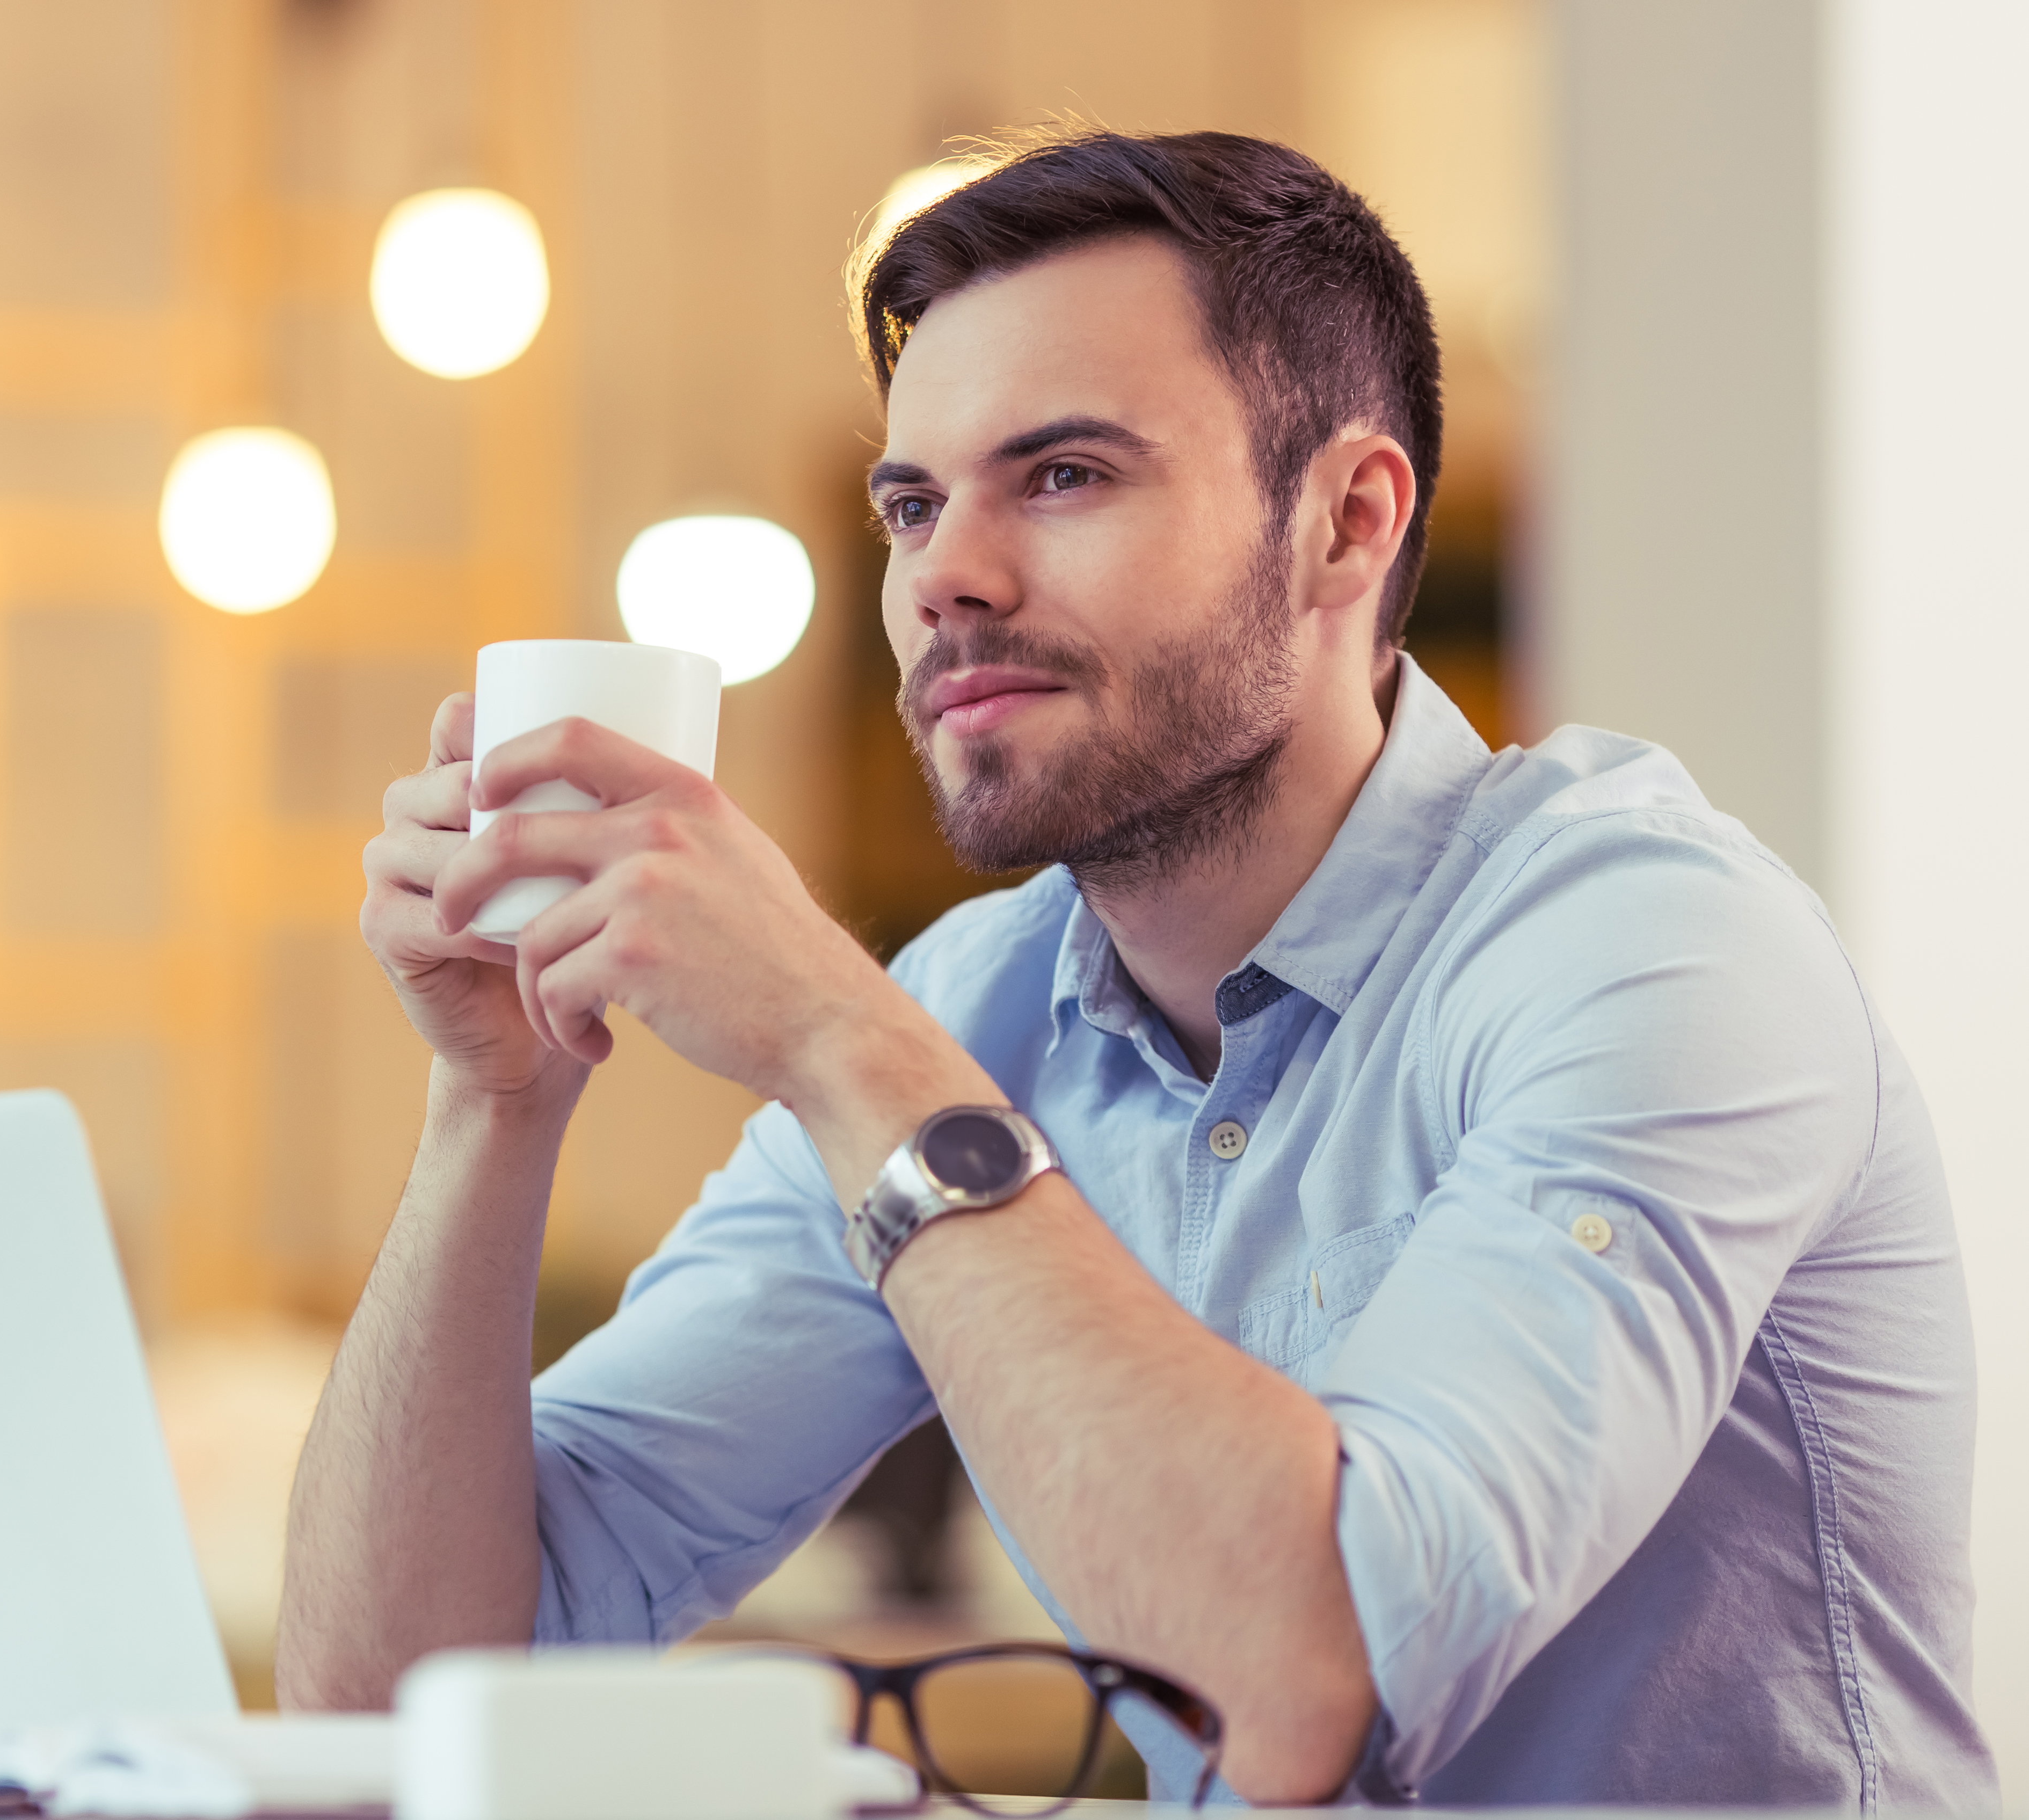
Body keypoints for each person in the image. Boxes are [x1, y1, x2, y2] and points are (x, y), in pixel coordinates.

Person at [275, 128, 1996, 1808]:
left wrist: (829, 1031)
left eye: (1067, 474)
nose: (946, 573)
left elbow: (1311, 1685)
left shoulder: (1649, 946)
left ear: (1347, 521)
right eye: (911, 504)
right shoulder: (969, 1009)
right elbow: (392, 1710)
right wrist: (490, 1109)